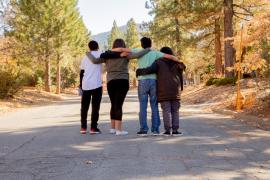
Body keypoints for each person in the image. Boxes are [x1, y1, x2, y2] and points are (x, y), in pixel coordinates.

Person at [86, 39, 151, 136]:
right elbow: (137, 55)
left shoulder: (107, 55)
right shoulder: (125, 54)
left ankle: (113, 128)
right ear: (123, 46)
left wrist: (88, 53)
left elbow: (95, 61)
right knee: (119, 105)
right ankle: (119, 130)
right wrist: (148, 49)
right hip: (122, 81)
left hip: (111, 82)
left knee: (113, 104)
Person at [132, 37, 178, 136]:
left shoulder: (138, 51)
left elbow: (125, 51)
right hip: (153, 81)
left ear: (142, 44)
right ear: (150, 44)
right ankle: (155, 129)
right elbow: (169, 56)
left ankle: (143, 129)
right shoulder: (155, 53)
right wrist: (177, 60)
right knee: (154, 106)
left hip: (142, 81)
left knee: (143, 106)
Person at [79, 40, 103, 135]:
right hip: (96, 84)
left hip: (86, 84)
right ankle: (93, 128)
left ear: (89, 47)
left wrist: (81, 85)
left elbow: (81, 72)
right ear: (97, 46)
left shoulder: (85, 56)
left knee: (84, 107)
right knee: (95, 107)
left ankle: (83, 127)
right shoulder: (101, 53)